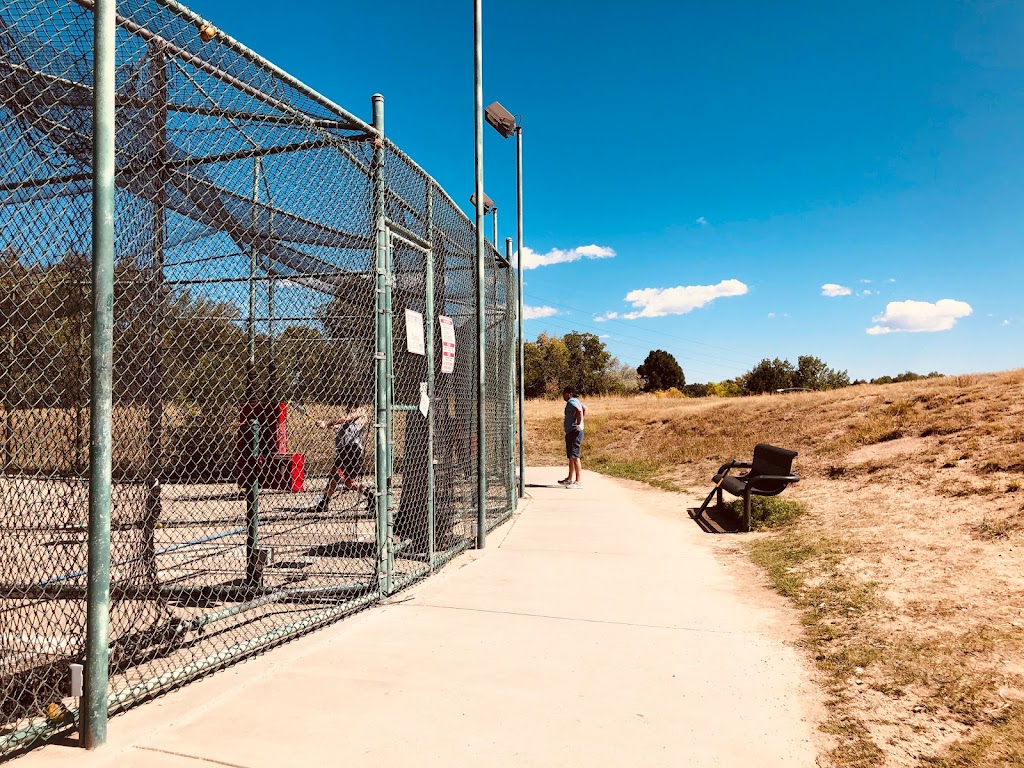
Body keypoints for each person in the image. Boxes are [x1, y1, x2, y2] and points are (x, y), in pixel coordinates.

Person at [315, 403, 370, 511]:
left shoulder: (361, 412)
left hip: (352, 450)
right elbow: (339, 425)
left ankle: (324, 502)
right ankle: (371, 496)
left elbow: (345, 419)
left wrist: (327, 423)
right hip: (344, 451)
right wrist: (323, 424)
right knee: (348, 483)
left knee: (337, 476)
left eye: (351, 408)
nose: (349, 410)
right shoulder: (348, 422)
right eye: (348, 408)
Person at [558, 386, 586, 489]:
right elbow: (584, 409)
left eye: (564, 394)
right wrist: (581, 421)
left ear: (569, 394)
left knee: (575, 456)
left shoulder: (571, 402)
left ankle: (578, 481)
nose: (563, 396)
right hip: (571, 431)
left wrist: (579, 424)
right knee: (571, 456)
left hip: (575, 432)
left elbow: (579, 410)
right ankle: (570, 479)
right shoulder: (577, 401)